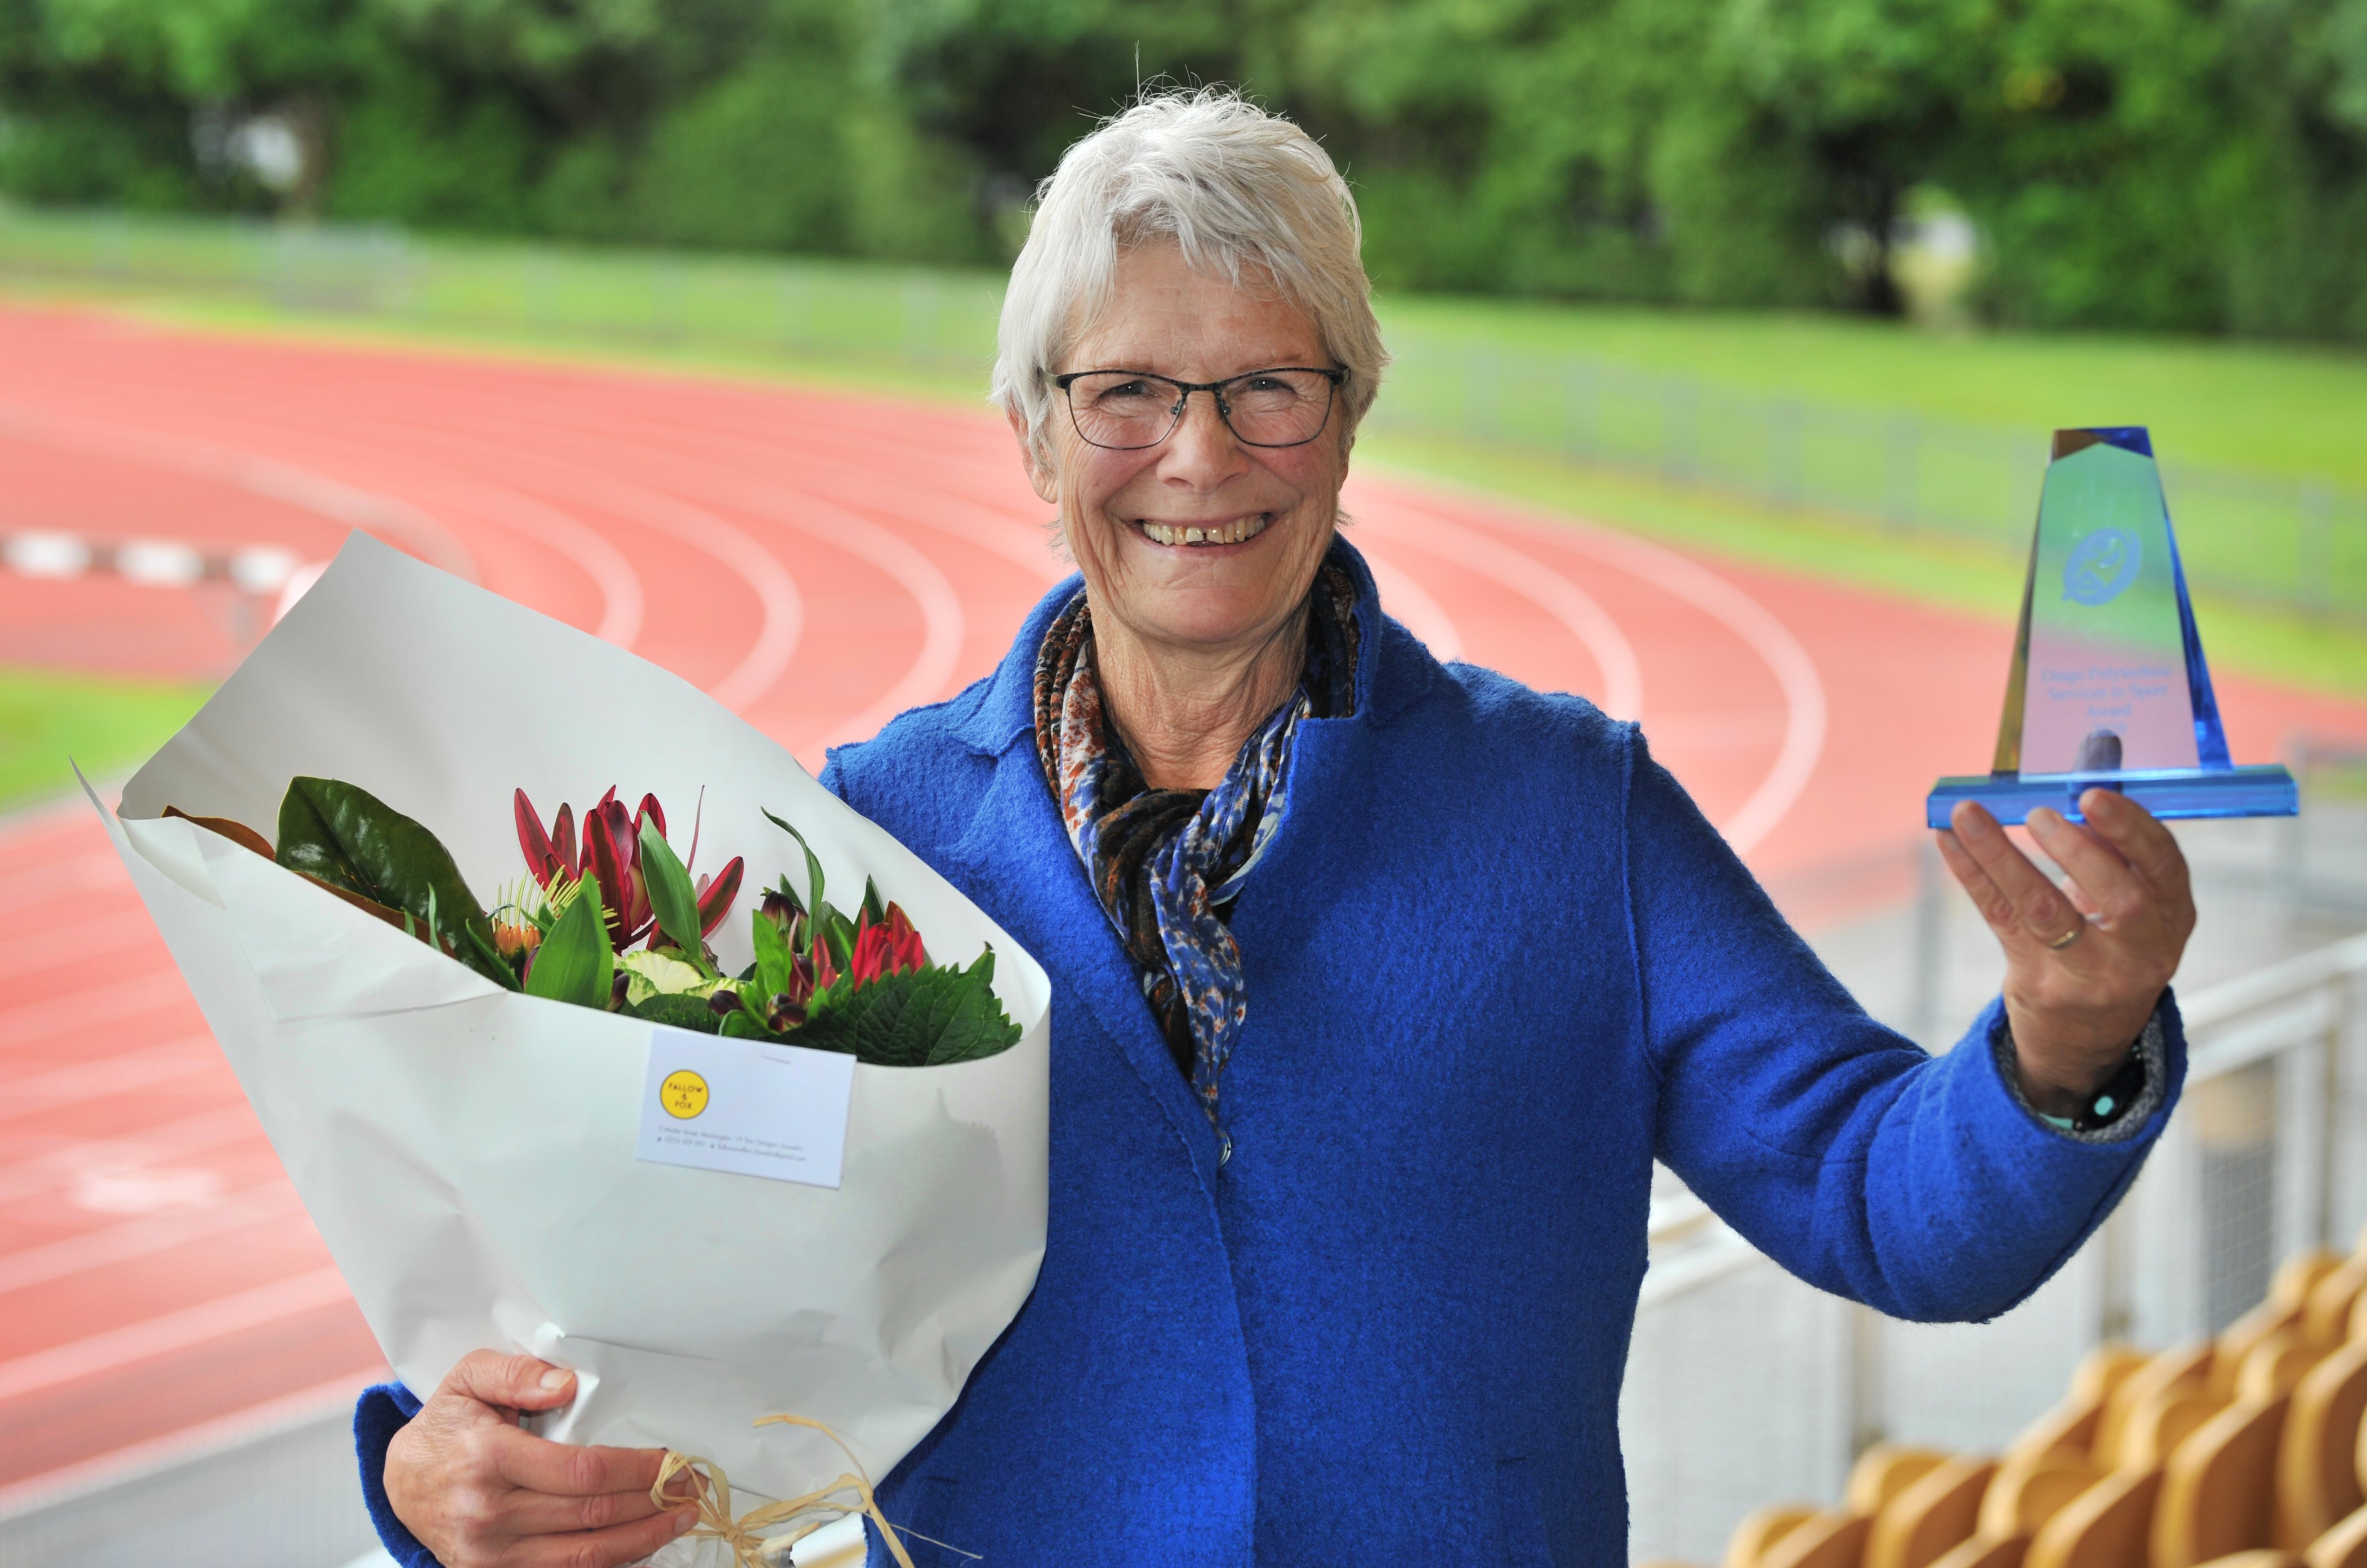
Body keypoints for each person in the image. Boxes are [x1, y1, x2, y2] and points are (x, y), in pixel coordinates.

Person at [356, 90, 2192, 1567]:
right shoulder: (872, 837)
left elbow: (1893, 1212)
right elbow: (658, 1302)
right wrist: (446, 1482)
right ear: (1029, 432)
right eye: (1128, 391)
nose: (1199, 455)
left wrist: (2067, 1044)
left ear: (1347, 418)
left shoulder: (1573, 816)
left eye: (1267, 387)